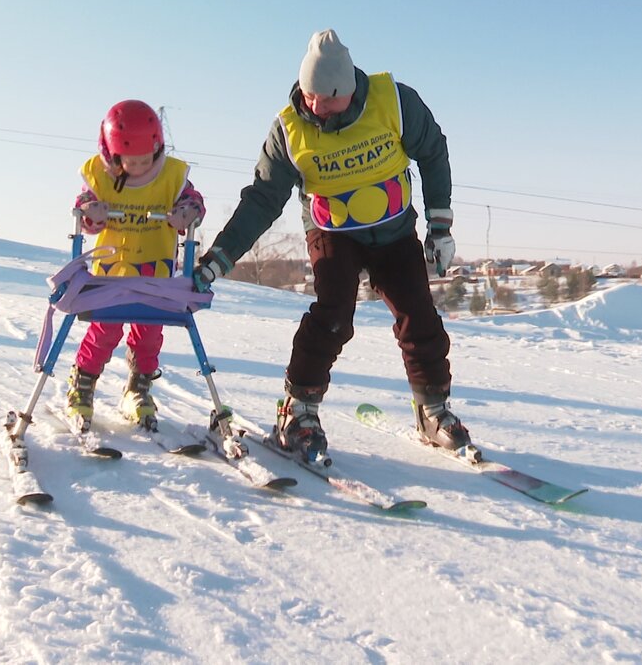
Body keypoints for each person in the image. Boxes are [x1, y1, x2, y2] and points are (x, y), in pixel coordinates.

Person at [192, 29, 469, 464]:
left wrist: (440, 224)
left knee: (418, 315)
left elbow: (433, 152)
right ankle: (298, 410)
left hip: (394, 229)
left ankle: (433, 410)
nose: (317, 108)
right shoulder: (288, 129)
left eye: (329, 99)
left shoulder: (394, 102)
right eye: (310, 97)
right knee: (334, 315)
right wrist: (218, 259)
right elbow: (263, 199)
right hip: (333, 232)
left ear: (352, 89)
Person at [64, 100, 206, 432]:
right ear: (113, 156)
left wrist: (188, 211)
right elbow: (83, 205)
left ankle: (139, 386)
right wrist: (92, 212)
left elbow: (194, 200)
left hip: (156, 273)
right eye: (131, 162)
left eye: (147, 160)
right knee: (105, 329)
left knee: (149, 332)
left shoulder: (171, 176)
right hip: (111, 273)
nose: (140, 168)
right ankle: (83, 384)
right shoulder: (99, 176)